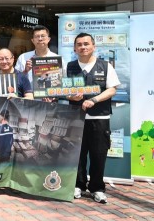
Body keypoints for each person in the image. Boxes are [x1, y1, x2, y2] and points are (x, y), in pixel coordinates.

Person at [66, 33, 120, 204]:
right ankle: (78, 185)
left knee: (98, 154)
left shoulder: (105, 66)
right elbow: (62, 90)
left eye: (86, 44)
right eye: (79, 44)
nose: (83, 47)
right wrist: (71, 96)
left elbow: (112, 89)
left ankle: (97, 188)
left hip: (99, 117)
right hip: (76, 118)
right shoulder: (69, 67)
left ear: (93, 46)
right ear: (75, 48)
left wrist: (94, 100)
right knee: (78, 153)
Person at [16, 25, 58, 91]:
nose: (40, 39)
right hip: (28, 96)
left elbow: (62, 80)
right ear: (32, 40)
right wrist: (25, 71)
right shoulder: (23, 57)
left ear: (48, 39)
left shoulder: (57, 59)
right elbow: (16, 80)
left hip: (50, 96)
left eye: (43, 36)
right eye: (37, 36)